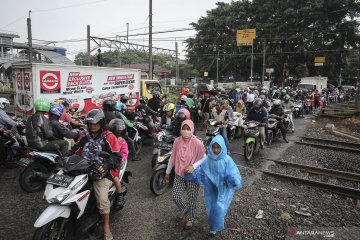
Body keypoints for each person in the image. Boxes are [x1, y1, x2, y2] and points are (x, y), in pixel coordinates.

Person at [69, 109, 121, 240]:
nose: (92, 126)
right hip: (82, 169)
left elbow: (117, 157)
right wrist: (64, 157)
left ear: (101, 123)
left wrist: (106, 165)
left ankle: (106, 228)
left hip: (100, 174)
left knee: (102, 200)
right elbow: (76, 149)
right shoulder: (85, 135)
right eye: (90, 124)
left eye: (95, 123)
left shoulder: (109, 136)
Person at [185, 135, 242, 239]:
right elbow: (201, 172)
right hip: (211, 190)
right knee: (212, 208)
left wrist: (234, 181)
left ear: (222, 147)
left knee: (219, 208)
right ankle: (213, 228)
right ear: (210, 147)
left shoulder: (227, 160)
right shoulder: (208, 160)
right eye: (214, 147)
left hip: (223, 189)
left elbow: (233, 173)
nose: (216, 150)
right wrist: (192, 174)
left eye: (218, 147)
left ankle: (215, 228)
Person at [164, 120, 206, 230]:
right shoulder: (177, 141)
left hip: (192, 176)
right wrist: (167, 172)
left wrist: (194, 166)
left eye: (188, 129)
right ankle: (183, 208)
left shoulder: (197, 142)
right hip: (179, 174)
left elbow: (204, 157)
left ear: (192, 129)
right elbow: (172, 157)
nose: (186, 131)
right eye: (184, 128)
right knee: (176, 196)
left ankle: (190, 218)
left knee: (192, 199)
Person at [108, 119, 128, 209]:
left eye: (120, 130)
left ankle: (120, 195)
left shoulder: (122, 141)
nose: (118, 131)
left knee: (114, 178)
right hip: (106, 160)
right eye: (117, 129)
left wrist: (122, 159)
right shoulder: (107, 137)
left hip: (116, 163)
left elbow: (124, 153)